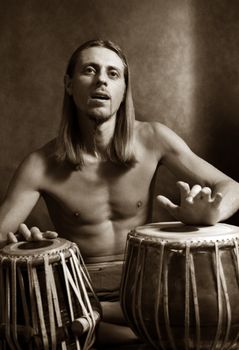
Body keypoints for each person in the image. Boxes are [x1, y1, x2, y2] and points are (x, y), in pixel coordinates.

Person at [0, 39, 239, 348]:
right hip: (79, 289)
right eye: (90, 70)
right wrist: (23, 246)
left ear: (124, 89)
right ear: (69, 85)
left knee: (205, 299)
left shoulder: (153, 138)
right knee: (44, 309)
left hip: (147, 286)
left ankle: (98, 324)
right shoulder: (40, 164)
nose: (101, 79)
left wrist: (212, 213)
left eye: (113, 74)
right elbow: (3, 233)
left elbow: (232, 187)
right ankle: (118, 327)